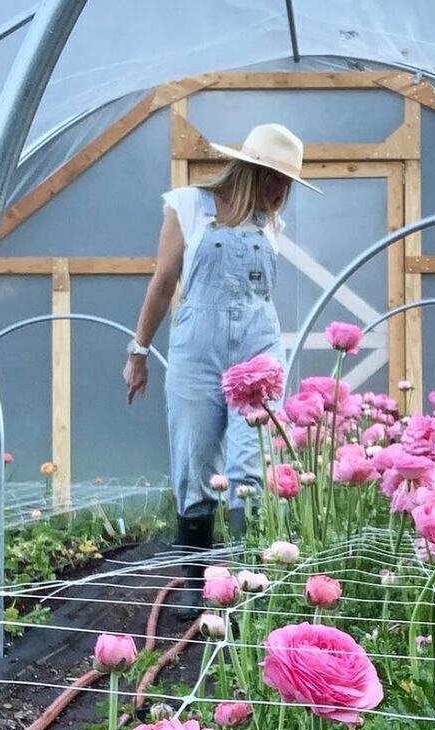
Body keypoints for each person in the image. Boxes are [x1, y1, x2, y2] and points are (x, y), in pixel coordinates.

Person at [124, 123, 319, 619]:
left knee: (246, 468)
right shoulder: (187, 205)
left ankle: (243, 580)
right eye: (278, 179)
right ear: (253, 170)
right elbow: (164, 281)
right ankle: (196, 579)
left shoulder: (269, 224)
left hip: (258, 350)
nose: (283, 192)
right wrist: (139, 351)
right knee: (193, 462)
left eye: (288, 182)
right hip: (197, 353)